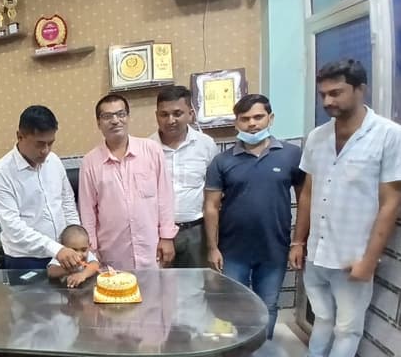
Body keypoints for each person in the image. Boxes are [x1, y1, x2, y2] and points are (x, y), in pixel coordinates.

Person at [288, 59, 401, 357]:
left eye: (336, 93)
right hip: (317, 251)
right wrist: (298, 242)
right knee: (322, 318)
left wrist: (369, 259)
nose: (327, 101)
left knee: (347, 328)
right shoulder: (317, 137)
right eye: (323, 94)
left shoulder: (389, 135)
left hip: (354, 256)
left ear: (360, 89)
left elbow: (391, 202)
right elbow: (308, 193)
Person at [204, 94, 304, 339]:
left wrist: (298, 243)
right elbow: (211, 206)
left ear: (270, 118)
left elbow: (305, 200)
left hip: (274, 248)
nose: (252, 124)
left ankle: (262, 350)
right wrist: (213, 248)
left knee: (268, 305)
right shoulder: (222, 161)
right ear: (236, 122)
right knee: (231, 305)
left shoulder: (292, 155)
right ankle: (237, 353)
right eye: (245, 118)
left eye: (258, 117)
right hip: (232, 250)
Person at [79, 94, 177, 270]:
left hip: (151, 248)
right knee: (116, 288)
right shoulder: (90, 162)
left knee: (155, 288)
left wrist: (167, 237)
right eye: (107, 116)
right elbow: (87, 210)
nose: (115, 120)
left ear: (128, 117)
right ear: (98, 123)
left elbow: (165, 197)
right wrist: (91, 249)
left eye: (121, 114)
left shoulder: (151, 150)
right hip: (112, 252)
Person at [0, 105, 81, 270]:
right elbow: (13, 228)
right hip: (26, 259)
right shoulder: (1, 173)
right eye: (40, 144)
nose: (45, 150)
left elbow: (67, 203)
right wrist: (56, 249)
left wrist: (76, 241)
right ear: (20, 136)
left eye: (50, 143)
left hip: (64, 252)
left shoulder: (54, 161)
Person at [151, 86, 219, 267]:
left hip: (195, 232)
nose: (170, 120)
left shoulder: (206, 145)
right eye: (164, 114)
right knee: (160, 283)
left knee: (195, 283)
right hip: (157, 234)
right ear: (156, 116)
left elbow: (214, 192)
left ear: (190, 114)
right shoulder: (147, 147)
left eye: (177, 113)